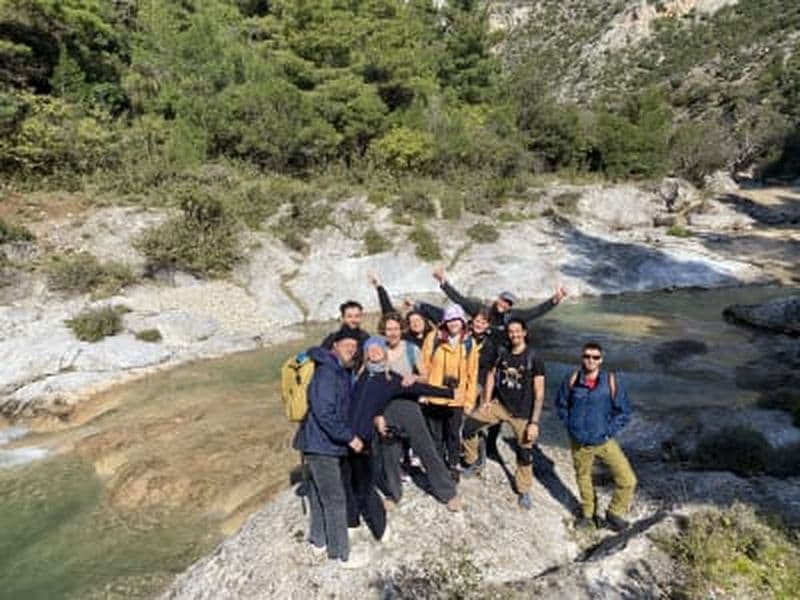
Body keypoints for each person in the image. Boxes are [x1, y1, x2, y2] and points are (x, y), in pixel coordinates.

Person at [349, 336, 464, 517]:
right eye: (370, 349)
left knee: (426, 449)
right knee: (389, 455)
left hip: (408, 411)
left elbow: (419, 388)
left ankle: (448, 493)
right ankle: (393, 494)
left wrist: (450, 393)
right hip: (386, 415)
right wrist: (375, 418)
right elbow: (362, 404)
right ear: (366, 354)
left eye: (378, 348)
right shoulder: (362, 378)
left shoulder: (393, 377)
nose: (374, 351)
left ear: (384, 352)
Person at [292, 329, 367, 567]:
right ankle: (340, 554)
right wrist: (349, 437)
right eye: (347, 345)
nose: (351, 349)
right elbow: (324, 412)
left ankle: (319, 541)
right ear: (335, 345)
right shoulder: (327, 372)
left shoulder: (336, 369)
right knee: (335, 499)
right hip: (322, 445)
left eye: (354, 347)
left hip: (317, 443)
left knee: (317, 494)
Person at [462, 318, 545, 510]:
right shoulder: (503, 353)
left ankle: (523, 489)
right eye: (511, 331)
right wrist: (486, 400)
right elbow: (491, 375)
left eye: (517, 331)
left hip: (522, 413)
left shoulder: (534, 357)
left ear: (524, 332)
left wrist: (534, 422)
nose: (514, 334)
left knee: (524, 452)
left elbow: (539, 392)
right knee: (469, 427)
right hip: (500, 406)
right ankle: (473, 461)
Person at [555, 342, 636, 532]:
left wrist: (608, 431)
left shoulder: (611, 381)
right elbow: (561, 405)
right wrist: (572, 426)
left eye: (595, 357)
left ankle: (614, 513)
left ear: (601, 360)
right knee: (583, 478)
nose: (590, 360)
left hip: (604, 440)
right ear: (582, 358)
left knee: (628, 479)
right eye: (587, 356)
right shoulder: (572, 379)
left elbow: (624, 411)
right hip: (579, 441)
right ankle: (588, 515)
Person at [418, 267, 568, 347]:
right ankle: (419, 306)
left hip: (495, 349)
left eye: (508, 303)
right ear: (497, 299)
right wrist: (443, 282)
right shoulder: (481, 310)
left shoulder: (513, 316)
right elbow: (460, 300)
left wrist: (554, 300)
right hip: (474, 344)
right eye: (503, 300)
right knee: (448, 317)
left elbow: (536, 312)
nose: (504, 304)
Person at [420, 304, 478, 481]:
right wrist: (423, 392)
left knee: (453, 435)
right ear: (444, 321)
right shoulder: (433, 338)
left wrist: (469, 401)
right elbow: (424, 367)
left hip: (457, 399)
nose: (453, 323)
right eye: (449, 319)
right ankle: (439, 466)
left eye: (456, 319)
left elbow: (472, 375)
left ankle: (453, 465)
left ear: (462, 322)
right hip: (434, 396)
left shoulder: (469, 343)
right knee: (436, 436)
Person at [368, 273, 432, 348]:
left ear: (424, 321)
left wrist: (415, 304)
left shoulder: (433, 336)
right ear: (408, 325)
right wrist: (379, 287)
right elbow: (388, 311)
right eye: (412, 322)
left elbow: (437, 314)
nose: (416, 323)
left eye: (418, 320)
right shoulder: (406, 338)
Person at [321, 300, 370, 368]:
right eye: (349, 316)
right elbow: (321, 355)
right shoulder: (333, 337)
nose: (353, 320)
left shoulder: (366, 338)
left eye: (357, 316)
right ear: (343, 318)